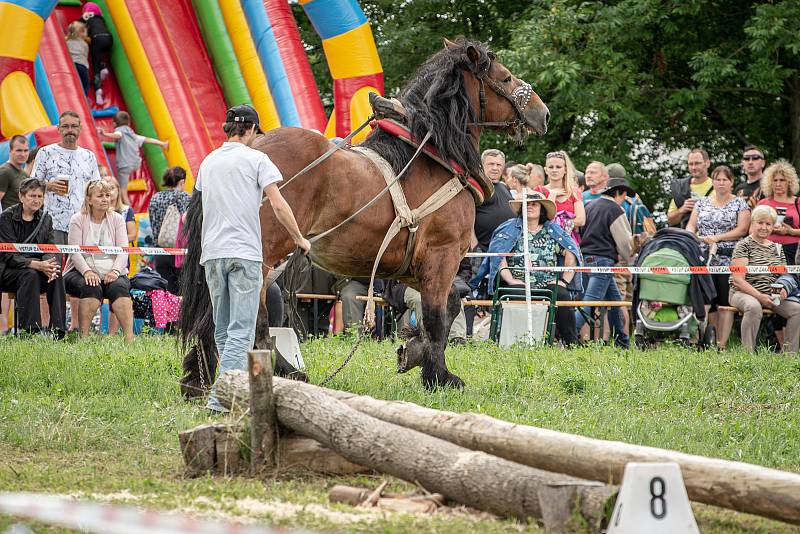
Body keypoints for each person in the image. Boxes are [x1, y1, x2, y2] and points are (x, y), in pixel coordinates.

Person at [198, 104, 310, 413]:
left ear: (228, 129)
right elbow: (278, 204)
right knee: (242, 330)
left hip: (213, 254)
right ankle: (221, 401)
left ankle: (231, 389)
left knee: (223, 329)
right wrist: (300, 238)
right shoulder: (257, 159)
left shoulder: (207, 162)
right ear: (251, 130)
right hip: (244, 253)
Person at [471, 190, 583, 345]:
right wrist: (511, 280)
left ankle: (571, 342)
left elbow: (572, 251)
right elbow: (499, 256)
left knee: (562, 295)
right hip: (516, 282)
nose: (530, 207)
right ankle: (514, 341)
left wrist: (563, 281)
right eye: (526, 204)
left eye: (534, 204)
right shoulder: (508, 229)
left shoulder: (553, 231)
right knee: (518, 293)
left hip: (548, 283)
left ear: (542, 209)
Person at [686, 165, 750, 348]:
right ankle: (703, 340)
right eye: (718, 179)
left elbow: (742, 230)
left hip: (728, 258)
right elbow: (691, 225)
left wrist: (717, 238)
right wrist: (692, 236)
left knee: (724, 302)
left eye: (725, 179)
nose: (721, 183)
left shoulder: (740, 203)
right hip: (703, 258)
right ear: (712, 181)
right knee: (706, 301)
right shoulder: (702, 202)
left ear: (731, 182)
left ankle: (721, 344)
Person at [63, 180, 133, 341]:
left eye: (107, 195)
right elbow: (74, 252)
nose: (105, 199)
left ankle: (129, 339)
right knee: (91, 287)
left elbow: (124, 250)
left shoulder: (117, 219)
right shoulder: (77, 219)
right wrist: (87, 271)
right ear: (89, 199)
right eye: (100, 196)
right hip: (80, 270)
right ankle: (84, 336)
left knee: (120, 287)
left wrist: (115, 271)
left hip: (112, 271)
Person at [730, 205, 800, 353]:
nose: (764, 227)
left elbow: (785, 274)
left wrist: (783, 288)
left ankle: (789, 356)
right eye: (760, 223)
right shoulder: (743, 246)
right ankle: (746, 355)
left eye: (768, 224)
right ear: (753, 223)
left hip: (770, 294)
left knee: (797, 310)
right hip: (743, 292)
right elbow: (738, 280)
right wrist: (759, 296)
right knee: (754, 307)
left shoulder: (777, 247)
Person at [0, 178, 66, 335]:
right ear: (21, 197)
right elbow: (7, 254)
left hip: (39, 268)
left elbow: (50, 248)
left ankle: (58, 330)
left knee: (56, 273)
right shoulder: (6, 218)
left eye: (40, 196)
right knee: (30, 274)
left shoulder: (46, 219)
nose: (37, 200)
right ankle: (30, 331)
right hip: (9, 270)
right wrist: (34, 264)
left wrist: (48, 265)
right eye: (32, 196)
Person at [574, 178, 634, 348]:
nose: (624, 199)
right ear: (618, 193)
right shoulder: (616, 209)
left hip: (585, 260)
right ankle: (569, 336)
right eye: (624, 196)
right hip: (603, 261)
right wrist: (629, 259)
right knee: (589, 302)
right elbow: (624, 243)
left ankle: (623, 342)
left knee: (615, 302)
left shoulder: (589, 206)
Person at [98, 111, 168, 205]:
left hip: (125, 166)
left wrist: (105, 134)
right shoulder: (132, 134)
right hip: (136, 164)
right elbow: (147, 139)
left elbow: (118, 135)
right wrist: (162, 143)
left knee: (122, 190)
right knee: (121, 185)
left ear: (114, 124)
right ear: (128, 123)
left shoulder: (119, 130)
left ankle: (129, 210)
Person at [148, 166, 190, 294]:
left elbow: (153, 224)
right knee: (183, 293)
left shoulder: (156, 198)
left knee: (167, 292)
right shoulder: (186, 198)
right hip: (180, 252)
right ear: (182, 182)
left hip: (160, 250)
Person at [757, 160, 800, 264]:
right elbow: (751, 231)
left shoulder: (798, 202)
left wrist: (791, 231)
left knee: (790, 280)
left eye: (782, 180)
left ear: (789, 182)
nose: (778, 184)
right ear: (769, 182)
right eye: (775, 180)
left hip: (794, 251)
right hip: (766, 250)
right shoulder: (763, 203)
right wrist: (770, 229)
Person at [535, 150, 585, 235]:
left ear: (565, 169)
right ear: (546, 170)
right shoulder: (539, 191)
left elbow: (581, 220)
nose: (554, 170)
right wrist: (552, 195)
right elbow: (541, 219)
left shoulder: (574, 191)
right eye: (551, 167)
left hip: (569, 241)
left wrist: (558, 223)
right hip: (545, 240)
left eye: (558, 167)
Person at [473, 149, 515, 251]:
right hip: (482, 251)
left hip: (506, 249)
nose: (495, 168)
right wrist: (475, 246)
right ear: (481, 165)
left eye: (499, 165)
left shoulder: (504, 187)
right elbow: (466, 217)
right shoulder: (476, 187)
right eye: (491, 164)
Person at [668, 148, 713, 227]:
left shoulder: (718, 185)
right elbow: (670, 221)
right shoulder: (680, 187)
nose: (693, 168)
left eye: (697, 163)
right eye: (690, 164)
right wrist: (682, 209)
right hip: (688, 237)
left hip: (713, 236)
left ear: (707, 163)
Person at [81, 2, 113, 106]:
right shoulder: (101, 18)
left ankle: (98, 91)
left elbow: (78, 26)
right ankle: (103, 67)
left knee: (95, 64)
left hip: (97, 38)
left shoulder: (86, 18)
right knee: (100, 54)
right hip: (109, 38)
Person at [0, 135, 29, 210]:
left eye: (26, 150)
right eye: (19, 150)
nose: (23, 154)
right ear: (10, 151)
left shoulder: (24, 173)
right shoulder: (4, 171)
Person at [104, 176, 136, 243]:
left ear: (118, 190)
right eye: (106, 189)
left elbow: (132, 235)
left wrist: (113, 241)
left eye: (112, 188)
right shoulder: (99, 210)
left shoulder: (127, 210)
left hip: (121, 250)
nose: (109, 192)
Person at [66, 21, 90, 97]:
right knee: (85, 85)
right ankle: (84, 98)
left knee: (74, 83)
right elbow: (85, 56)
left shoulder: (68, 42)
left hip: (72, 65)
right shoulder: (85, 44)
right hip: (82, 66)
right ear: (80, 33)